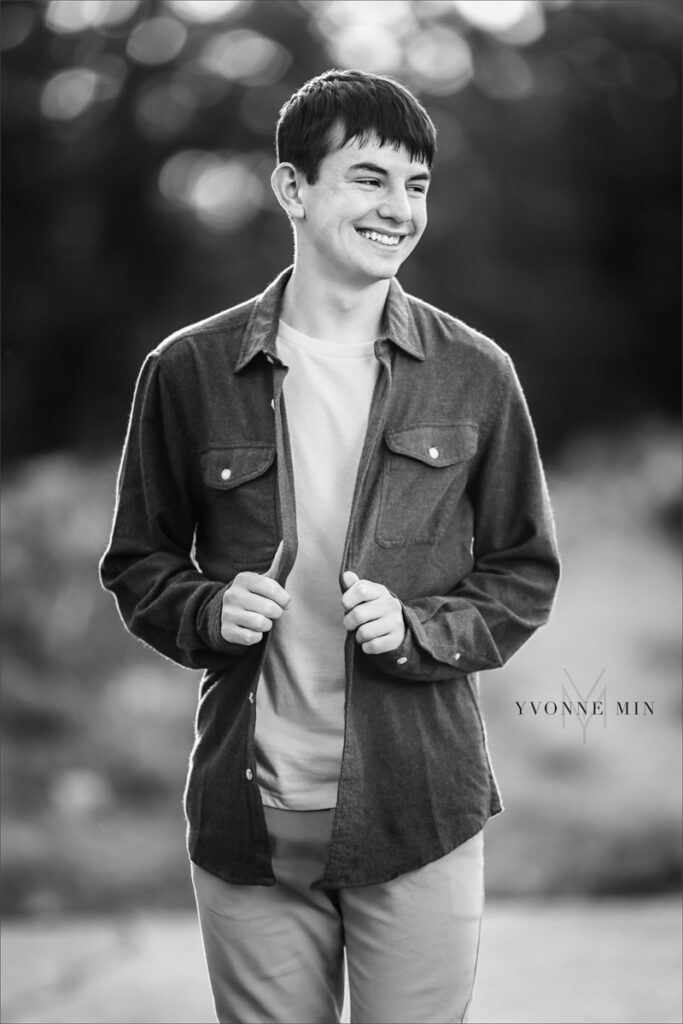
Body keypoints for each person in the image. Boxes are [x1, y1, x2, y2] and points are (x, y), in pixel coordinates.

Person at [100, 68, 560, 1024]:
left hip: (418, 810)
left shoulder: (475, 374)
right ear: (293, 189)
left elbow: (522, 572)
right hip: (246, 818)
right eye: (368, 178)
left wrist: (420, 629)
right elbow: (137, 561)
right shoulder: (187, 371)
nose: (398, 209)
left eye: (416, 185)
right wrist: (203, 608)